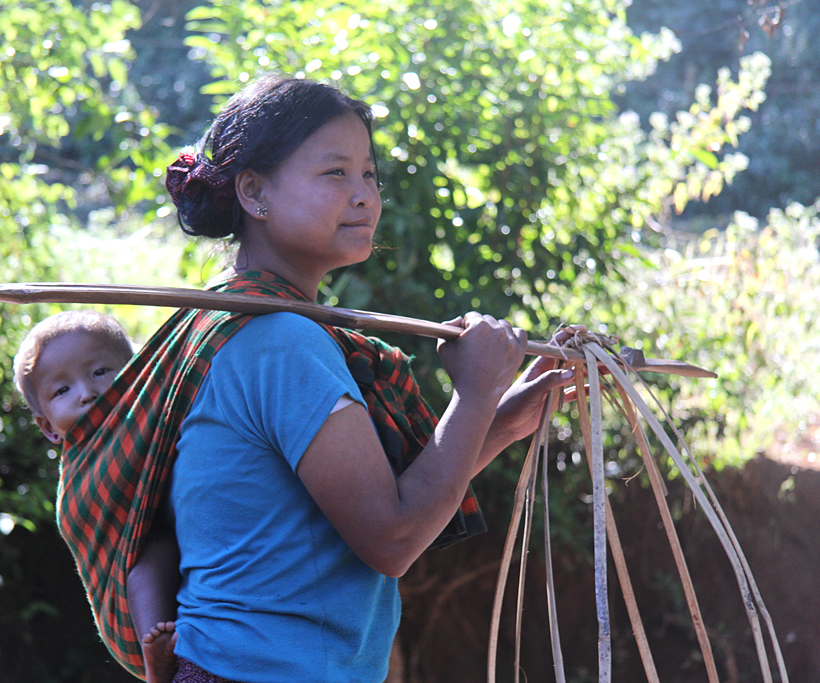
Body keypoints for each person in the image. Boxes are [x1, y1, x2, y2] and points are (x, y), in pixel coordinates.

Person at [161, 75, 577, 683]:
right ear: (253, 192)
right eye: (335, 173)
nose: (364, 196)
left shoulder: (241, 321)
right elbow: (392, 537)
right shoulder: (282, 342)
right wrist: (475, 394)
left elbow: (363, 501)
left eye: (370, 175)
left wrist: (500, 418)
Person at [13, 311, 181, 683]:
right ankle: (158, 664)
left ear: (139, 374)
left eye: (100, 372)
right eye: (62, 390)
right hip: (132, 615)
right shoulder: (85, 466)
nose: (86, 393)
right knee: (152, 553)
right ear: (48, 429)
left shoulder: (149, 415)